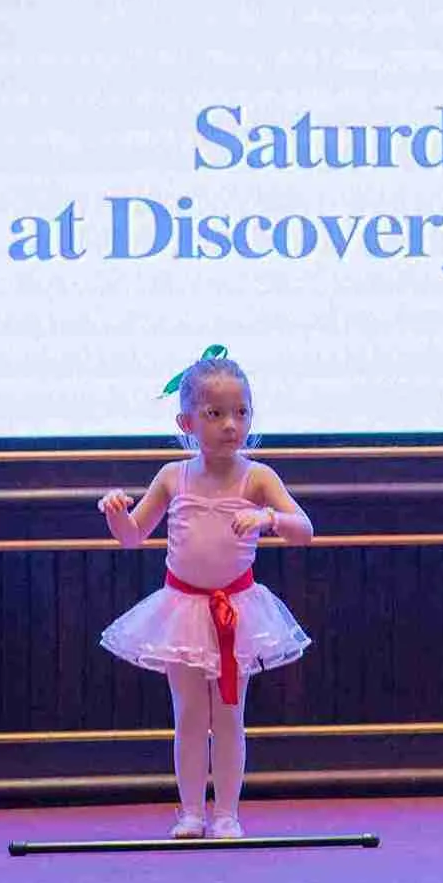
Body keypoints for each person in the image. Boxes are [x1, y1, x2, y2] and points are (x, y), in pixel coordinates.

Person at [100, 345, 314, 839]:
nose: (230, 425)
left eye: (241, 412)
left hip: (238, 612)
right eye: (215, 414)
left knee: (231, 715)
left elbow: (304, 529)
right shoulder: (172, 476)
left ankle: (228, 814)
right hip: (182, 610)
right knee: (190, 715)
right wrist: (115, 514)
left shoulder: (258, 477)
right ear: (187, 422)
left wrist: (269, 517)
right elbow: (132, 536)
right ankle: (192, 812)